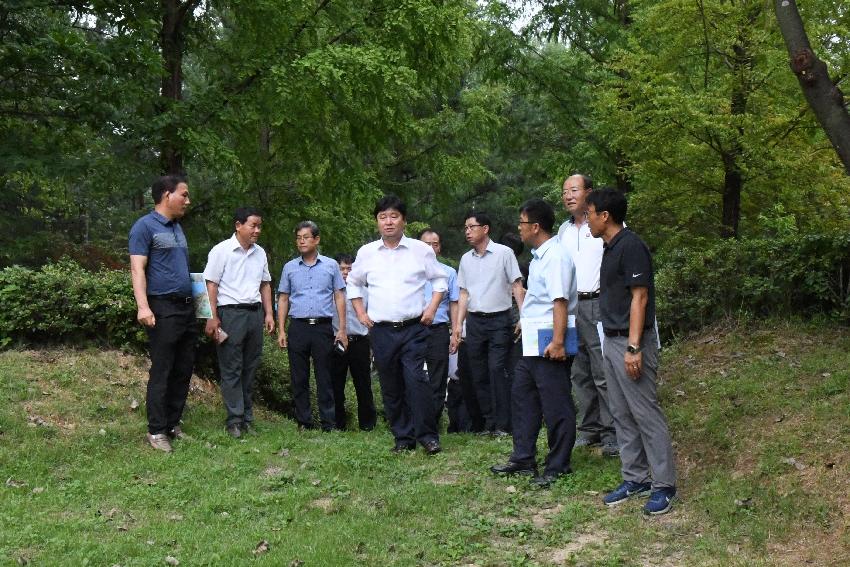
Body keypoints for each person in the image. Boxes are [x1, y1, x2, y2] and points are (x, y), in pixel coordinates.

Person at [585, 188, 677, 515]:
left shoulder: (632, 246)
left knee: (645, 412)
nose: (587, 220)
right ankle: (635, 477)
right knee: (621, 412)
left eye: (590, 213)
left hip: (631, 341)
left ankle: (664, 485)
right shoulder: (609, 248)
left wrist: (634, 347)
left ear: (605, 215)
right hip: (610, 339)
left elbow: (640, 298)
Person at [347, 195, 447, 455]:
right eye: (383, 217)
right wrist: (360, 313)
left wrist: (432, 307)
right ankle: (403, 437)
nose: (388, 222)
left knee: (416, 380)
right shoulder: (367, 252)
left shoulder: (420, 250)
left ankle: (428, 436)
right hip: (381, 330)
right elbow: (353, 283)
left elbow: (440, 281)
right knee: (390, 384)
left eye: (394, 216)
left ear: (404, 220)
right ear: (377, 222)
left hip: (414, 327)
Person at [490, 198, 578, 488]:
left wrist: (558, 341)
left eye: (522, 223)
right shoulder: (540, 256)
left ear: (536, 226)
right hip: (531, 341)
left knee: (555, 404)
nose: (519, 228)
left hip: (549, 342)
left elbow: (559, 301)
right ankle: (523, 457)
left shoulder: (556, 256)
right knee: (523, 397)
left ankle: (558, 464)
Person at [129, 175, 198, 453]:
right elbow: (137, 269)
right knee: (163, 369)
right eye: (184, 194)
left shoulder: (178, 228)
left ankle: (172, 423)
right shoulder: (144, 227)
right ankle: (156, 431)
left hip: (186, 307)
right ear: (167, 195)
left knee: (184, 368)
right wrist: (143, 306)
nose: (188, 200)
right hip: (163, 308)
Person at [558, 174, 618, 457]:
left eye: (574, 190)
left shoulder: (605, 224)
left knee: (602, 370)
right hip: (570, 307)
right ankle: (589, 428)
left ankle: (612, 432)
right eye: (564, 191)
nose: (568, 196)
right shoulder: (563, 231)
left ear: (589, 193)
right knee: (578, 371)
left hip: (597, 303)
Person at [202, 207, 275, 438]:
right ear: (238, 225)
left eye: (259, 226)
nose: (257, 230)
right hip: (230, 313)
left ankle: (247, 418)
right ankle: (234, 420)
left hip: (254, 313)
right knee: (231, 368)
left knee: (250, 366)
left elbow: (265, 283)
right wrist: (211, 316)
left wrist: (269, 313)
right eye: (253, 225)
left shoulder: (260, 253)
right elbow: (210, 285)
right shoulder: (221, 251)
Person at [453, 211, 525, 435]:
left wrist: (524, 317)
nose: (467, 231)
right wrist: (457, 325)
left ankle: (504, 424)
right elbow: (463, 293)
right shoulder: (466, 259)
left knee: (497, 370)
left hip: (499, 320)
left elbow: (516, 285)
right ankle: (488, 421)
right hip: (475, 321)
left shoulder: (504, 253)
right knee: (478, 371)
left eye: (472, 227)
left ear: (485, 229)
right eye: (465, 227)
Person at [277, 221, 348, 431]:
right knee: (299, 377)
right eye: (298, 237)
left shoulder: (330, 266)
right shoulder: (289, 267)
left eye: (306, 237)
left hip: (323, 328)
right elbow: (283, 298)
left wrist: (342, 329)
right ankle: (303, 422)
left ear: (316, 239)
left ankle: (329, 423)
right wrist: (281, 329)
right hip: (298, 326)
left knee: (325, 376)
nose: (301, 241)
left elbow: (339, 296)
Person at [329, 253, 377, 431]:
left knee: (363, 383)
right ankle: (338, 424)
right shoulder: (330, 292)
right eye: (341, 268)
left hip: (359, 341)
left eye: (349, 268)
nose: (345, 272)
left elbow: (372, 318)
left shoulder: (365, 292)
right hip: (336, 341)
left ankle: (368, 424)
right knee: (336, 383)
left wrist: (372, 344)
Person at [418, 228, 460, 424]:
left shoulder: (449, 272)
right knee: (413, 375)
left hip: (438, 330)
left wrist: (455, 331)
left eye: (435, 244)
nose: (431, 248)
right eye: (426, 244)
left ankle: (432, 423)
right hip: (413, 329)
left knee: (438, 376)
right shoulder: (410, 272)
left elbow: (454, 303)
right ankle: (414, 419)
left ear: (440, 248)